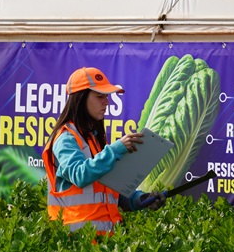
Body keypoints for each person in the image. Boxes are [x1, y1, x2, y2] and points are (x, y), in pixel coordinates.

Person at [43, 66, 164, 235]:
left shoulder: (94, 139)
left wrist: (140, 199)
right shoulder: (66, 138)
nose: (106, 102)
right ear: (80, 99)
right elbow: (79, 175)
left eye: (106, 96)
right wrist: (116, 149)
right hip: (76, 246)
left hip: (105, 244)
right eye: (100, 96)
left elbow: (112, 193)